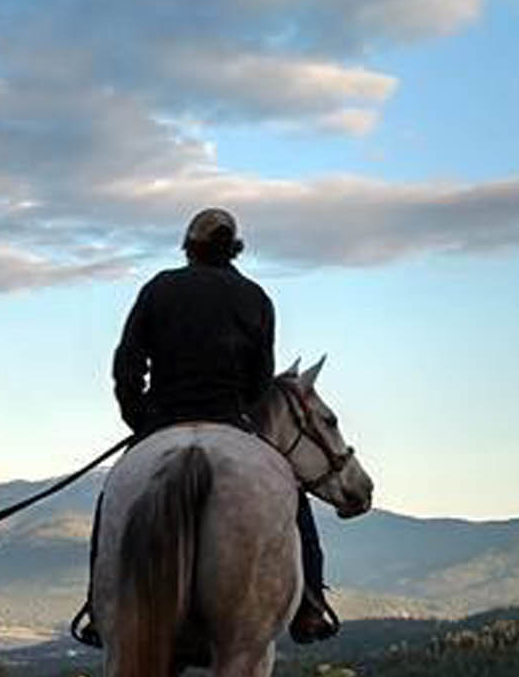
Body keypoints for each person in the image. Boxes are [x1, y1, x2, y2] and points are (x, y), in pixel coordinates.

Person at [70, 208, 339, 648]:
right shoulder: (255, 297)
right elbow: (260, 378)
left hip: (162, 421)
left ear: (189, 247)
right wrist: (241, 416)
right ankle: (310, 605)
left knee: (111, 498)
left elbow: (127, 364)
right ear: (233, 247)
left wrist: (139, 419)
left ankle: (98, 609)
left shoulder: (159, 289)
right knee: (294, 502)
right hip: (231, 420)